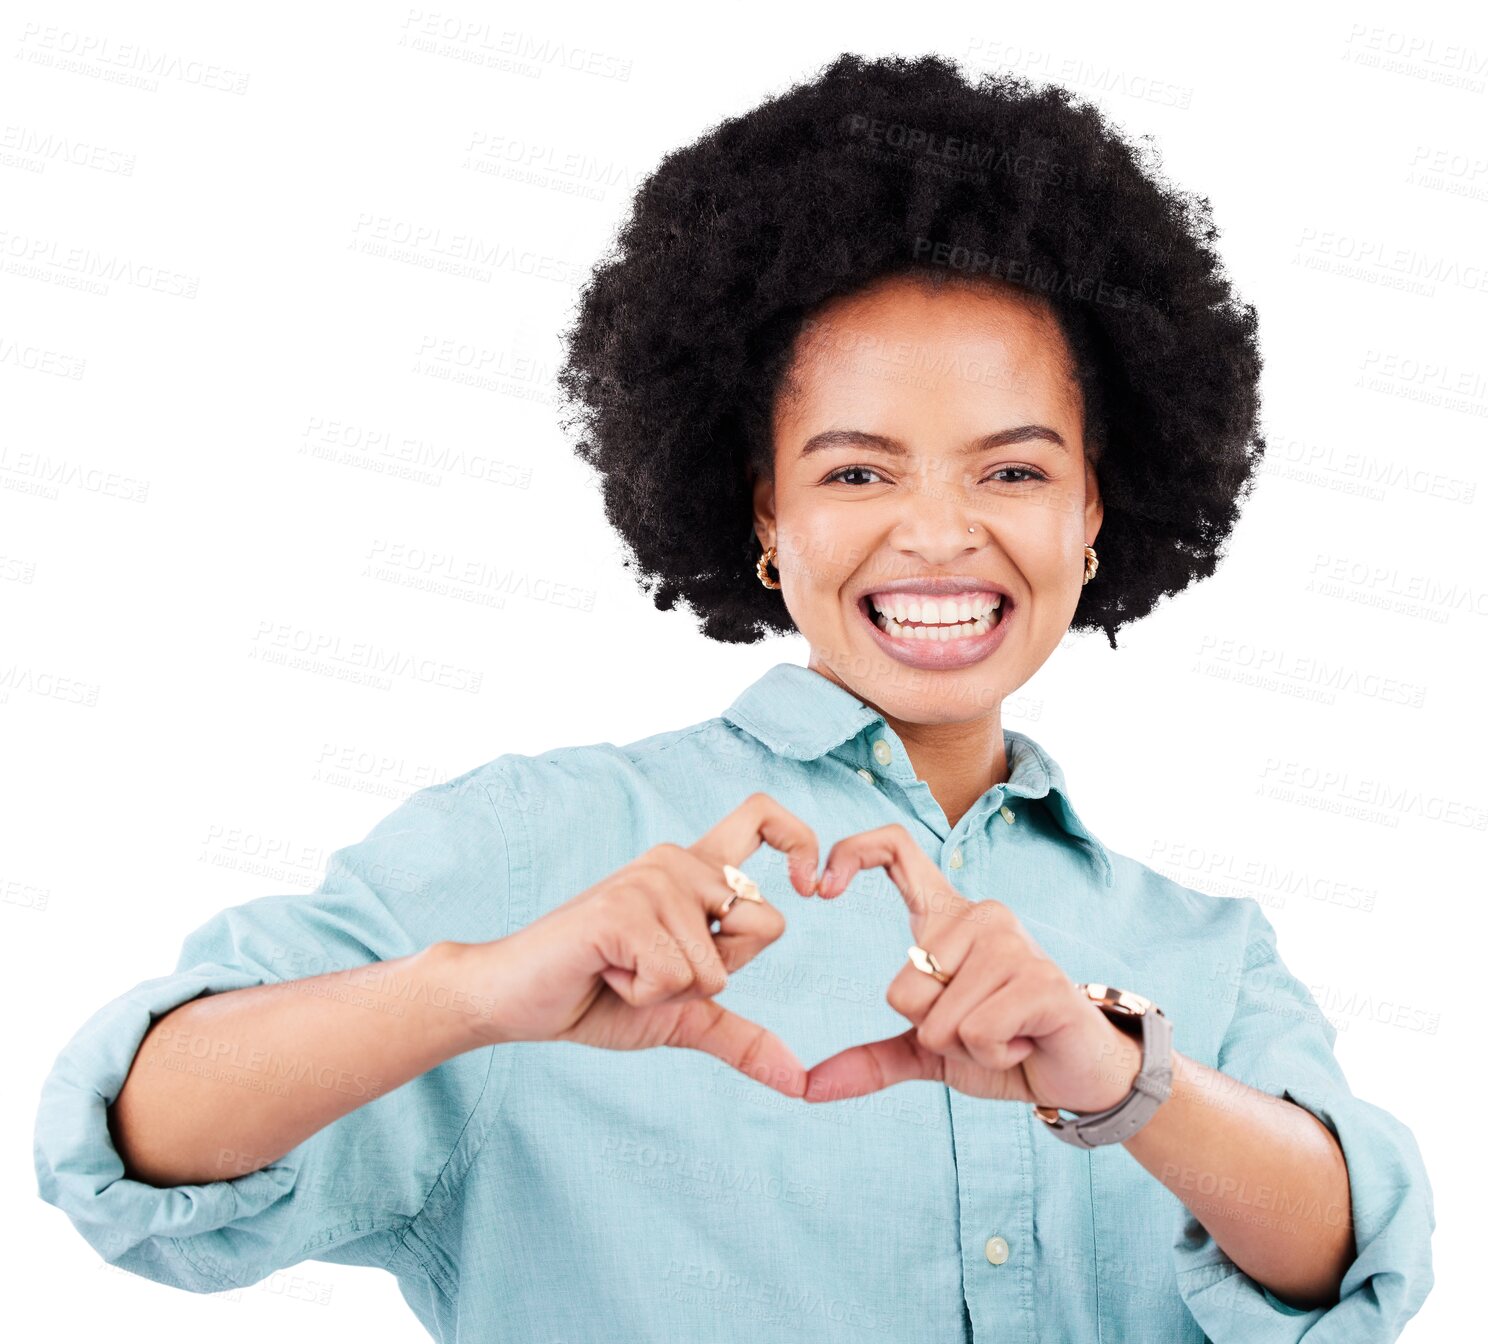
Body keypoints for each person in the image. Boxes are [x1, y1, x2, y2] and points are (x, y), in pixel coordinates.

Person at [35, 52, 1434, 1343]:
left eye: (1011, 471)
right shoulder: (540, 847)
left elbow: (1354, 1267)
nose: (939, 536)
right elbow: (131, 1149)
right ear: (762, 515)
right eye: (855, 471)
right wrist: (474, 992)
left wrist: (1124, 1080)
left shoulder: (1199, 952)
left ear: (1094, 518)